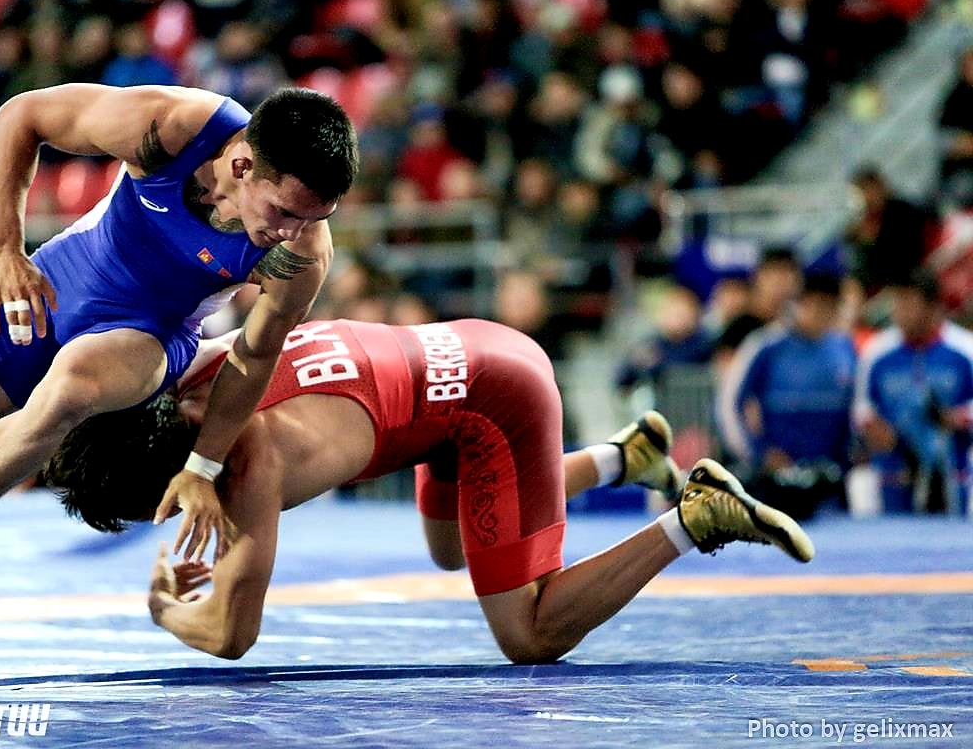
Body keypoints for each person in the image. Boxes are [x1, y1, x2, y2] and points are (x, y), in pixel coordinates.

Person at [0, 84, 358, 694]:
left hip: (149, 333)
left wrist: (203, 466)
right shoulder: (173, 128)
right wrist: (5, 250)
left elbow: (253, 356)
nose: (293, 232)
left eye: (313, 218)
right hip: (60, 283)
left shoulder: (303, 254)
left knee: (72, 387)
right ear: (244, 165)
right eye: (284, 212)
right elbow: (22, 116)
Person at [49, 318, 812, 664]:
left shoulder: (253, 460)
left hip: (491, 399)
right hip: (460, 352)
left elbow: (231, 636)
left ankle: (694, 517)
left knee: (529, 636)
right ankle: (623, 457)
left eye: (162, 506)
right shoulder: (190, 366)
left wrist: (167, 608)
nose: (172, 517)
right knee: (452, 551)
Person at [716, 274, 857, 518]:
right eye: (814, 305)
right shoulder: (766, 345)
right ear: (798, 303)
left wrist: (852, 453)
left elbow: (857, 409)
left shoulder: (844, 348)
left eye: (828, 307)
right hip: (778, 482)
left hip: (831, 481)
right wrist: (758, 453)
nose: (820, 314)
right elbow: (730, 404)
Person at [853, 270, 973, 514]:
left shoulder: (964, 349)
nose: (899, 311)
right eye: (896, 302)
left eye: (908, 303)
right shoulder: (878, 351)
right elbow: (862, 408)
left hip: (951, 473)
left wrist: (956, 418)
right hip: (894, 473)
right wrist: (874, 428)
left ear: (932, 307)